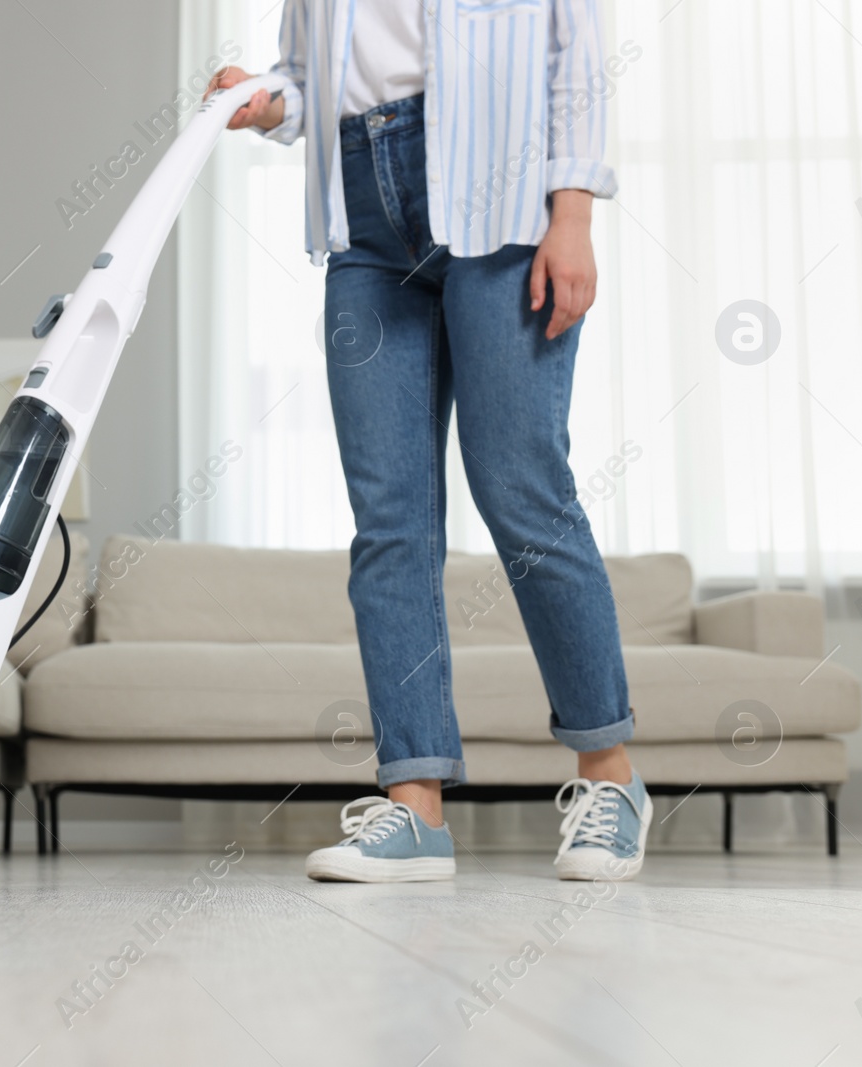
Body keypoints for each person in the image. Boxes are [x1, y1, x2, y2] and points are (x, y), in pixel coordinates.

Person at [207, 0, 650, 883]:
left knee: (522, 490)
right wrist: (268, 102)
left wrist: (575, 216)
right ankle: (414, 805)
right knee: (389, 519)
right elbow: (308, 74)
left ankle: (611, 777)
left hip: (507, 198)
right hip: (365, 222)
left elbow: (576, 59)